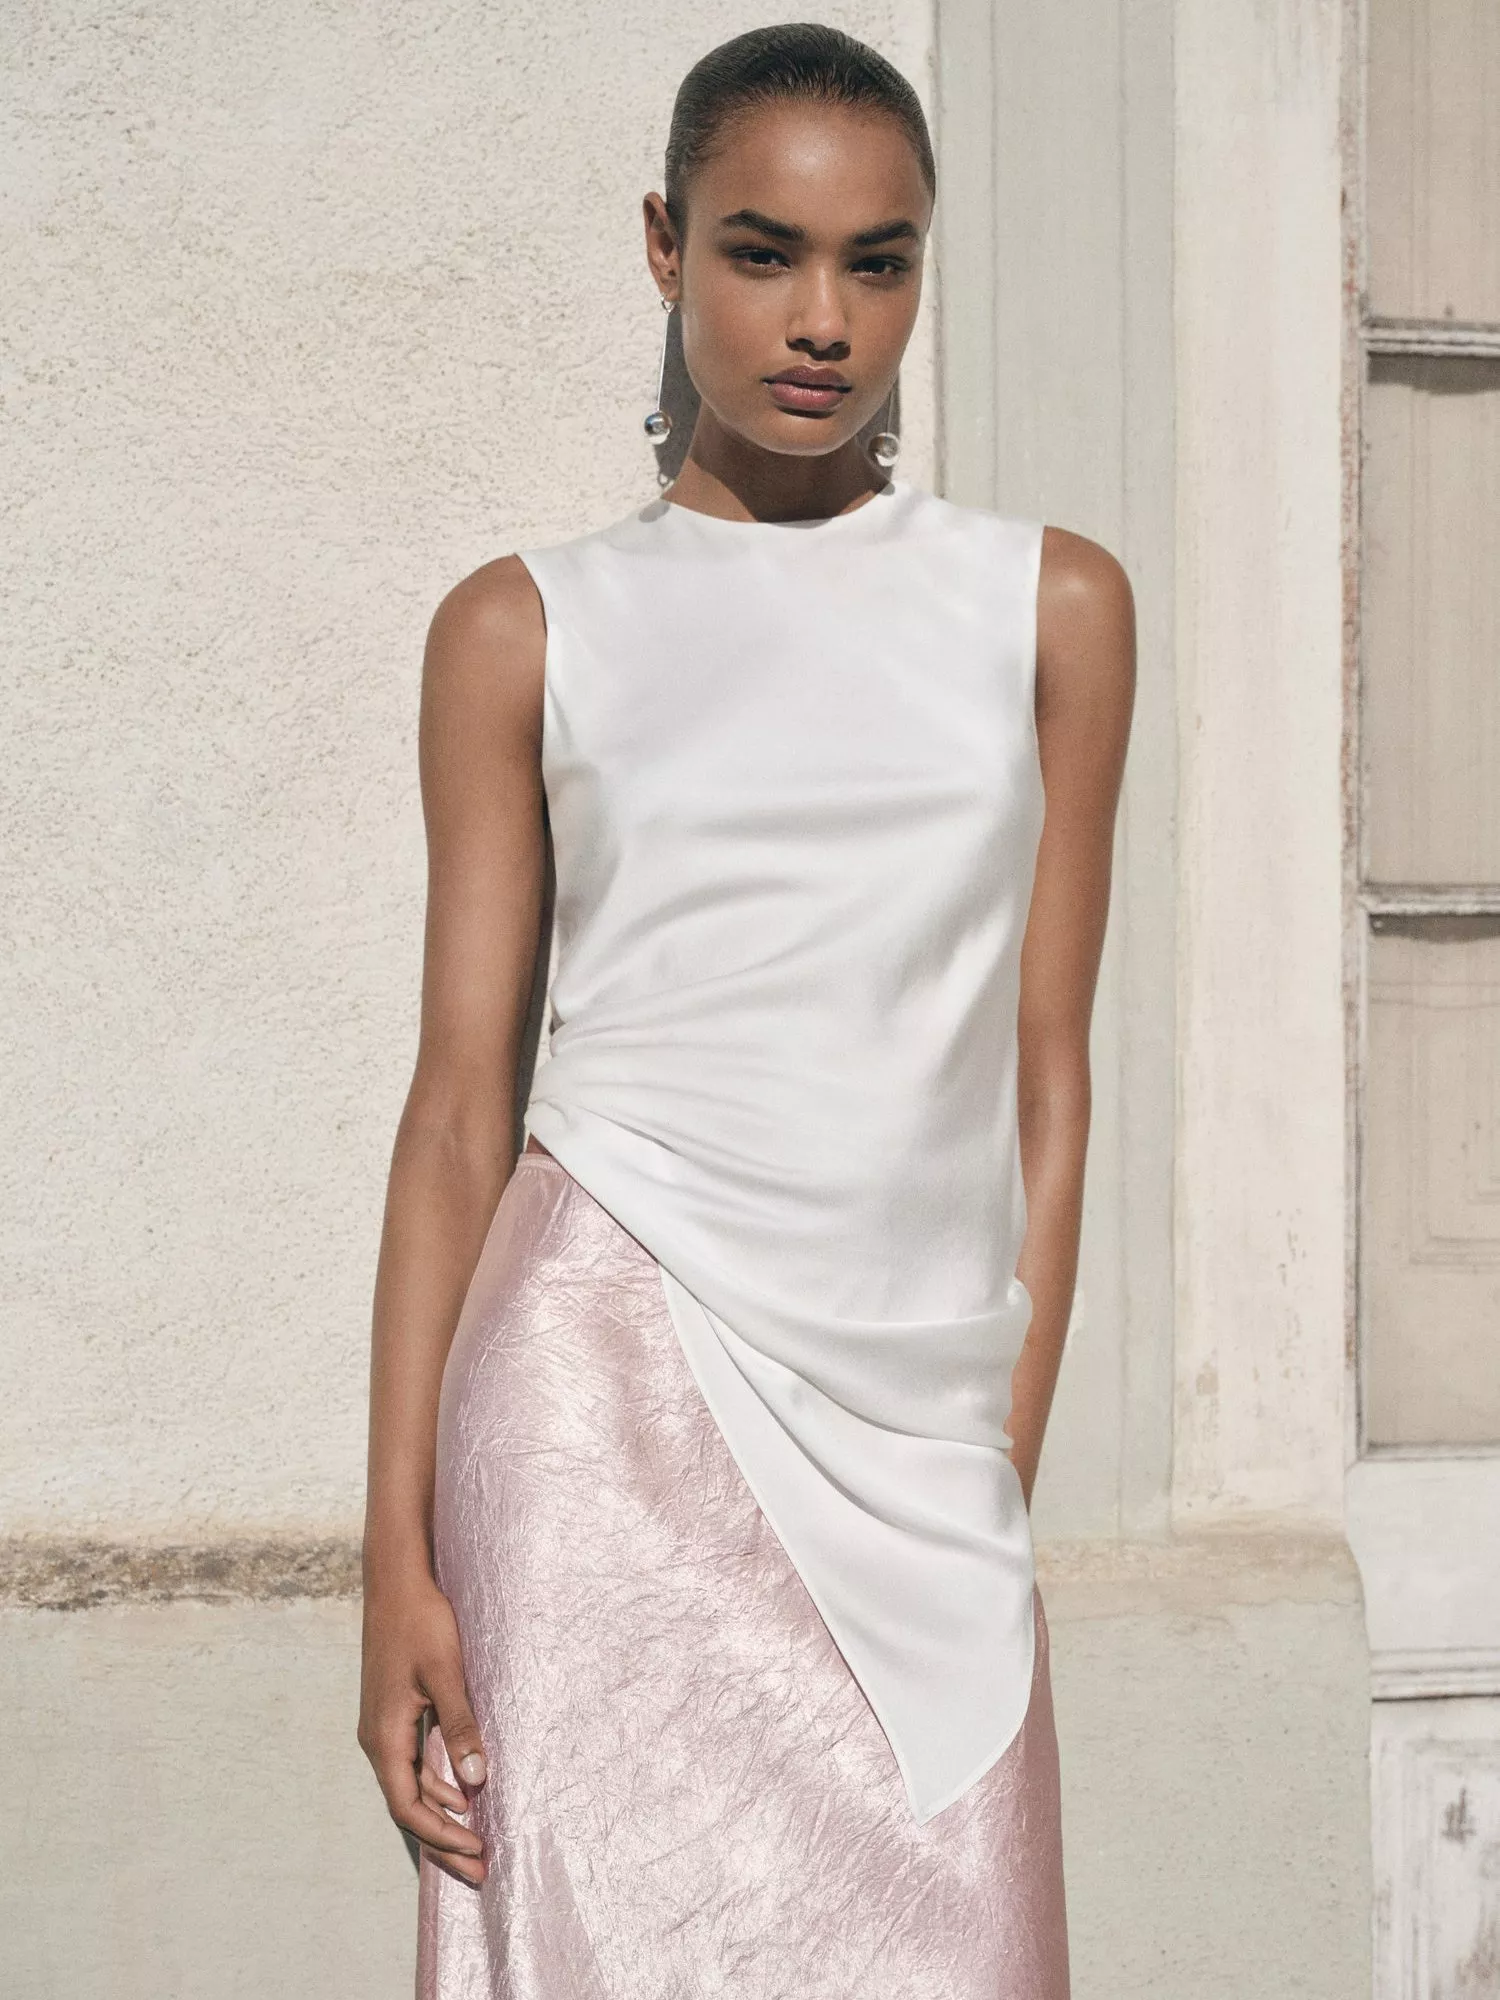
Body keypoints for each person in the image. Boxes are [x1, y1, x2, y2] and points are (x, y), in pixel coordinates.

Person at [358, 22, 1134, 1999]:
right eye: (761, 251)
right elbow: (457, 1113)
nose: (822, 320)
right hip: (594, 1405)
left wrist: (996, 1460)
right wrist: (395, 1559)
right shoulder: (522, 626)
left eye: (879, 262)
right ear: (664, 245)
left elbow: (1049, 1078)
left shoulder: (1051, 608)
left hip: (914, 1437)